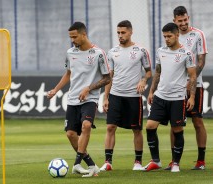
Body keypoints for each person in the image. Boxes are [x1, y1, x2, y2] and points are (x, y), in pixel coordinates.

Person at [47, 22, 111, 177]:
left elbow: (107, 78)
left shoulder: (98, 53)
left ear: (84, 34)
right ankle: (90, 165)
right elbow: (68, 74)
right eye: (70, 37)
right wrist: (55, 90)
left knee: (86, 125)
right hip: (73, 99)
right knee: (70, 134)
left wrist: (88, 88)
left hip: (90, 98)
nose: (72, 40)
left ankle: (76, 164)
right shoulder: (70, 53)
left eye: (75, 37)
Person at [99, 20, 152, 172]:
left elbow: (149, 71)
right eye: (118, 33)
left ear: (130, 32)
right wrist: (106, 97)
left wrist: (143, 80)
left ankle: (137, 162)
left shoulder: (141, 50)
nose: (120, 35)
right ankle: (108, 162)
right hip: (116, 95)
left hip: (133, 96)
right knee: (110, 127)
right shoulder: (112, 52)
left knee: (136, 129)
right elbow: (109, 76)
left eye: (123, 32)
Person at [144, 22, 197, 172]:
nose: (166, 39)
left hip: (178, 98)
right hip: (160, 96)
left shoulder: (186, 53)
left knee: (177, 130)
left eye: (169, 36)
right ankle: (156, 161)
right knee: (150, 126)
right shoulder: (161, 51)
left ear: (177, 35)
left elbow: (192, 77)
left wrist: (191, 97)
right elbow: (158, 72)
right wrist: (151, 91)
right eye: (164, 36)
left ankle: (175, 163)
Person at [164, 6, 208, 170]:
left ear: (188, 18)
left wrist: (191, 80)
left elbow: (201, 61)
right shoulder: (172, 35)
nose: (183, 23)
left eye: (185, 20)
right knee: (174, 124)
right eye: (179, 21)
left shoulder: (198, 34)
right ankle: (174, 161)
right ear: (174, 20)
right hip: (175, 87)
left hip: (194, 85)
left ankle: (201, 161)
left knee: (197, 121)